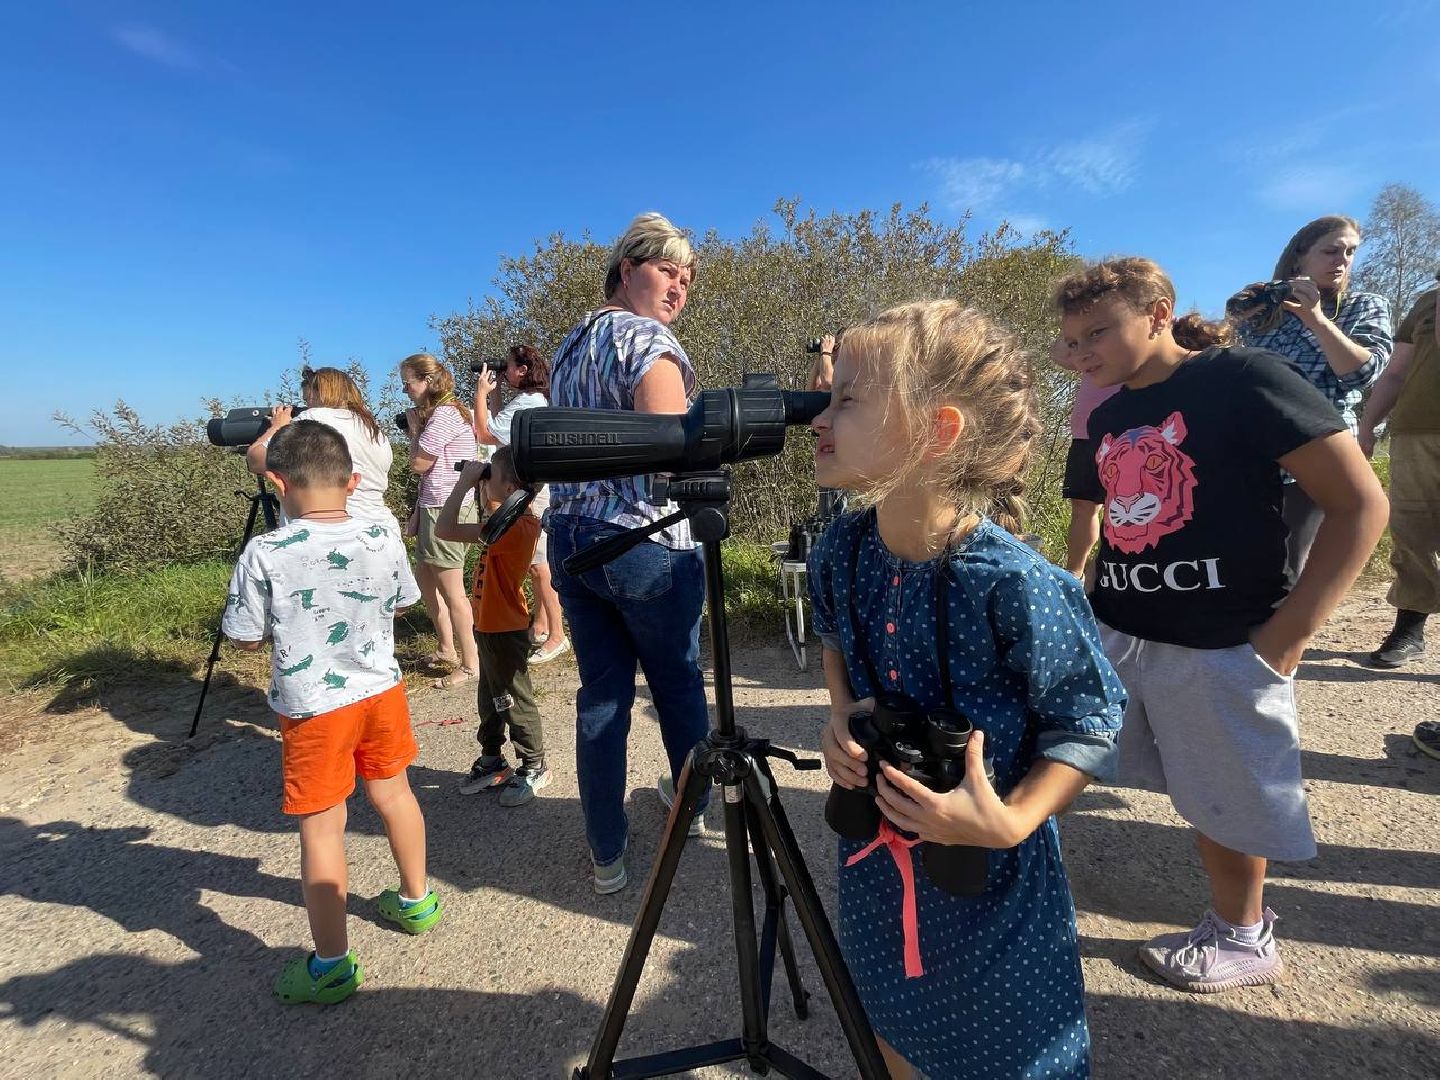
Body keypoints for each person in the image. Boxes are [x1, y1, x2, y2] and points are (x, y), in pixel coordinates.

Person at [809, 300, 1127, 1080]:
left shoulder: (1015, 583)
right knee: (889, 1018)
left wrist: (1012, 821)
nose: (818, 418)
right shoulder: (840, 549)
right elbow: (834, 638)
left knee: (1004, 1047)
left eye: (847, 399)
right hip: (875, 864)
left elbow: (1088, 719)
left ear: (937, 430)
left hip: (990, 878)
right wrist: (840, 714)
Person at [1059, 258, 1387, 993]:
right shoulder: (1107, 414)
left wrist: (1288, 634)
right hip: (1124, 632)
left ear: (1158, 313)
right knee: (1074, 759)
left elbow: (1361, 504)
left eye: (1098, 332)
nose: (1082, 352)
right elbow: (1116, 526)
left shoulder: (1244, 379)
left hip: (1222, 640)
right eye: (1073, 339)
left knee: (1225, 800)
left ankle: (1243, 936)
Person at [222, 419, 442, 1005]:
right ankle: (417, 900)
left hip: (314, 708)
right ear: (351, 482)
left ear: (277, 482)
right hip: (381, 693)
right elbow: (404, 602)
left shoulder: (265, 552)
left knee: (323, 826)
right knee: (396, 794)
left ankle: (331, 965)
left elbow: (244, 637)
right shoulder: (381, 535)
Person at [545, 211, 707, 894]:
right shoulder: (646, 339)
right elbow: (671, 448)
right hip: (643, 540)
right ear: (627, 269)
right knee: (676, 683)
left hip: (572, 539)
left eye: (686, 278)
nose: (678, 286)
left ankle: (606, 850)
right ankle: (693, 805)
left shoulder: (571, 345)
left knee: (603, 695)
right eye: (666, 270)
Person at [1232, 216, 1392, 582]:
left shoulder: (1363, 306)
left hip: (1319, 450)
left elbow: (1362, 373)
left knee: (1289, 563)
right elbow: (1235, 376)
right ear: (1298, 257)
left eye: (1350, 252)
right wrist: (1239, 320)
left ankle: (1292, 621)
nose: (1342, 260)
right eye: (1331, 251)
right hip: (1256, 452)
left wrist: (1317, 320)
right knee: (1243, 558)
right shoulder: (1268, 315)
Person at [435, 448, 550, 806]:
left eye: (491, 477)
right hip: (488, 624)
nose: (485, 483)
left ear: (512, 488)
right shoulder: (506, 521)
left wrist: (464, 483)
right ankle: (492, 758)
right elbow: (478, 518)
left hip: (505, 629)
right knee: (490, 698)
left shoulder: (519, 526)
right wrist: (482, 483)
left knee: (512, 699)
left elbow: (444, 528)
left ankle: (534, 764)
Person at [1357, 280, 1440, 668]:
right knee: (1412, 532)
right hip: (1414, 431)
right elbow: (1396, 372)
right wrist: (1368, 424)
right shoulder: (1427, 302)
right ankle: (1409, 628)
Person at [473, 345, 568, 665]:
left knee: (540, 567)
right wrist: (497, 393)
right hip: (534, 487)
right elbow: (503, 430)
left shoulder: (527, 403)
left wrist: (481, 393)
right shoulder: (532, 401)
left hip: (532, 492)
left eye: (509, 366)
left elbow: (485, 434)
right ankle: (541, 625)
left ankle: (557, 635)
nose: (506, 370)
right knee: (534, 562)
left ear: (523, 370)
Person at [398, 353, 481, 689]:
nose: (405, 389)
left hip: (447, 507)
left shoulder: (445, 414)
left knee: (451, 589)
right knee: (426, 577)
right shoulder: (445, 412)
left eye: (408, 382)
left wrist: (415, 430)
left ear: (427, 381)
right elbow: (430, 473)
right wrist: (418, 511)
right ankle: (447, 647)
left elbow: (419, 464)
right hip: (435, 505)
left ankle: (471, 663)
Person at [246, 366, 399, 532]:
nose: (306, 406)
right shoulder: (373, 429)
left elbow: (256, 460)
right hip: (381, 530)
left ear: (321, 394)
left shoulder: (313, 418)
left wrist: (278, 426)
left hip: (329, 532)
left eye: (307, 400)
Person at [1051, 337, 1121, 578]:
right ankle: (1074, 577)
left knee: (1121, 507)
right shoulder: (1092, 338)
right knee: (1082, 506)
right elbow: (1059, 354)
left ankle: (1111, 574)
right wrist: (1079, 334)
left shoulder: (1140, 332)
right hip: (1084, 434)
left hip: (1126, 432)